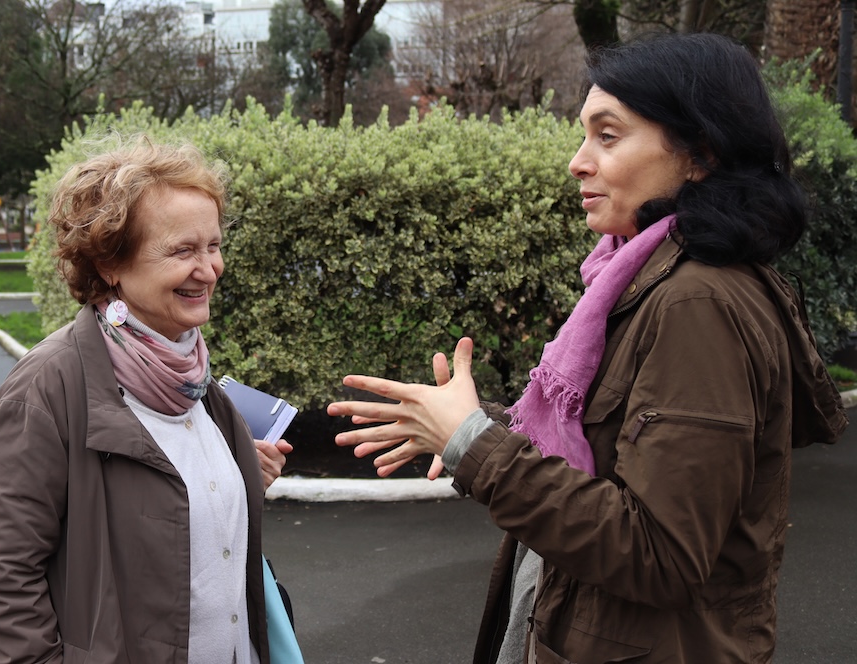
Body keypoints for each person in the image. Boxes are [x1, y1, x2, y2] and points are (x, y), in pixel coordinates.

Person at [328, 32, 849, 663]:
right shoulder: (646, 279)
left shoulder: (697, 303)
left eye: (607, 135)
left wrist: (476, 447)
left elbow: (661, 555)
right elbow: (615, 450)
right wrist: (464, 426)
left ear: (700, 153)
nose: (578, 161)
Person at [0, 138, 293, 663]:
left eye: (213, 245)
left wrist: (235, 477)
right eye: (183, 250)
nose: (208, 269)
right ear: (110, 263)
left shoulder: (193, 374)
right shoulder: (47, 389)